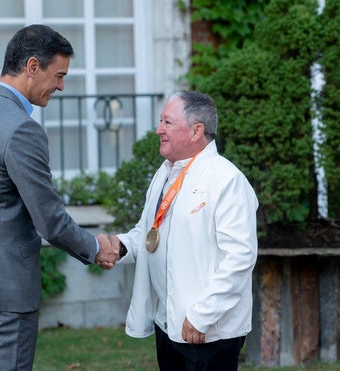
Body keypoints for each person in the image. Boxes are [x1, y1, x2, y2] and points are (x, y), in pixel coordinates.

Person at [0, 24, 117, 371]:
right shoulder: (22, 129)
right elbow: (49, 219)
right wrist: (95, 247)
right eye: (59, 75)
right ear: (32, 66)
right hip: (6, 287)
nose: (62, 87)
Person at [104, 91, 258, 370]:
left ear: (197, 130)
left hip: (207, 331)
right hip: (168, 324)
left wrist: (201, 317)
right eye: (161, 121)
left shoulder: (226, 180)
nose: (158, 129)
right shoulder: (165, 172)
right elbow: (150, 233)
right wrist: (120, 246)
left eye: (167, 122)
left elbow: (239, 259)